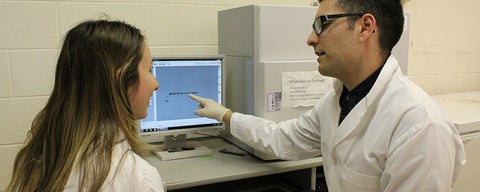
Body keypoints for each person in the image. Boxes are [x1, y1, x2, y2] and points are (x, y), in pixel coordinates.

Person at [189, 0, 466, 191]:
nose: (311, 38)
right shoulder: (337, 101)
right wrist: (224, 114)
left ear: (365, 27)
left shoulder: (419, 126)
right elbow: (279, 140)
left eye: (321, 24)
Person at [7, 20, 165, 192]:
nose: (156, 84)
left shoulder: (41, 156)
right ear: (121, 80)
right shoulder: (139, 178)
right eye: (149, 69)